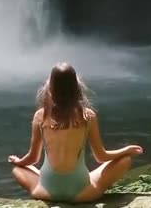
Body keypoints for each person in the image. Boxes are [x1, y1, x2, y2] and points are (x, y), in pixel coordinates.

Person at [8, 62, 143, 203]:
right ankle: (77, 183)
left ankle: (54, 185)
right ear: (76, 88)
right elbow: (101, 156)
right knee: (125, 160)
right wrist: (126, 150)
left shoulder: (40, 116)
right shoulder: (87, 116)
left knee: (18, 169)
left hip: (46, 191)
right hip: (82, 193)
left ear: (51, 88)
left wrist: (19, 161)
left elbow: (32, 158)